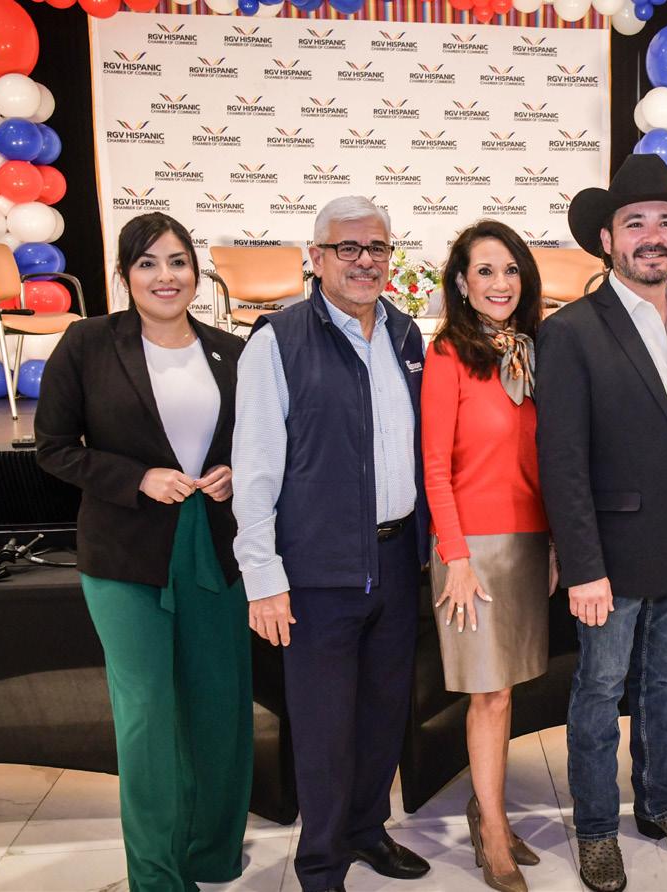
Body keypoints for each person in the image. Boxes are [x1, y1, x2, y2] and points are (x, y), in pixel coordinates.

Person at [35, 212, 251, 892]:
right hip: (124, 557)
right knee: (147, 717)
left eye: (178, 261)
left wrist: (239, 472)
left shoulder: (233, 350)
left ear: (197, 272)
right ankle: (157, 875)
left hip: (215, 549)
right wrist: (136, 478)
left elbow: (261, 443)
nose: (166, 276)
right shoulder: (87, 343)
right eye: (148, 262)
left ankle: (213, 854)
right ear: (124, 274)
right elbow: (53, 448)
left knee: (221, 710)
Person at [537, 154, 667, 892]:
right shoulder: (573, 331)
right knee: (598, 690)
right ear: (608, 240)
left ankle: (663, 806)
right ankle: (595, 828)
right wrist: (582, 565)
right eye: (635, 222)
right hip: (608, 556)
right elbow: (562, 460)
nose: (653, 235)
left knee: (665, 685)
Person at [232, 196, 431, 892]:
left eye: (376, 247)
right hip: (317, 571)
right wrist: (262, 577)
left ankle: (367, 829)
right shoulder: (276, 342)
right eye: (347, 248)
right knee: (322, 731)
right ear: (315, 257)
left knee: (383, 715)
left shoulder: (406, 335)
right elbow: (255, 469)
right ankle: (320, 864)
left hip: (397, 560)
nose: (363, 261)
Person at [422, 220, 550, 892]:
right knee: (489, 694)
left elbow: (547, 462)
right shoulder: (448, 354)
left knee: (506, 690)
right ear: (462, 283)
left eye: (510, 270)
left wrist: (552, 544)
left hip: (527, 546)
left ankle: (487, 807)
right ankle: (493, 831)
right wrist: (457, 556)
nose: (500, 283)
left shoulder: (531, 352)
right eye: (485, 271)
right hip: (471, 550)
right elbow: (434, 468)